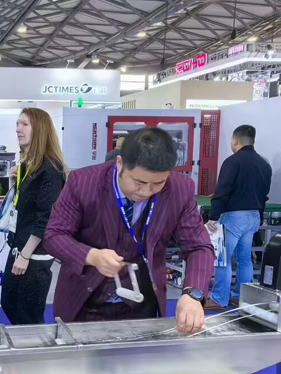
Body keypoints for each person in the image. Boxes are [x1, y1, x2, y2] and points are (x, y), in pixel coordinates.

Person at [45, 128, 214, 335]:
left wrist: (193, 293)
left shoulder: (180, 189)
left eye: (158, 183)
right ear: (120, 163)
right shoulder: (83, 182)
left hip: (142, 303)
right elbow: (54, 235)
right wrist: (92, 256)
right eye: (139, 182)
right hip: (85, 300)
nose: (146, 191)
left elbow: (198, 246)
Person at [0, 108, 67, 325]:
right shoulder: (27, 165)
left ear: (39, 129)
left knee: (28, 315)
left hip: (34, 252)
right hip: (19, 244)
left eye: (25, 124)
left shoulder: (50, 169)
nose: (18, 129)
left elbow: (45, 218)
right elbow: (22, 205)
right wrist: (14, 183)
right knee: (9, 302)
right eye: (17, 124)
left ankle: (34, 346)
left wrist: (26, 255)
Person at [206, 125, 272, 309]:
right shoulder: (264, 164)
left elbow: (223, 189)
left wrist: (213, 216)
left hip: (234, 217)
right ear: (253, 141)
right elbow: (264, 193)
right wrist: (259, 216)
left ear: (235, 140)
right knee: (245, 259)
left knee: (223, 259)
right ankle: (241, 297)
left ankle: (219, 299)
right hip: (254, 216)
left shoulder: (232, 162)